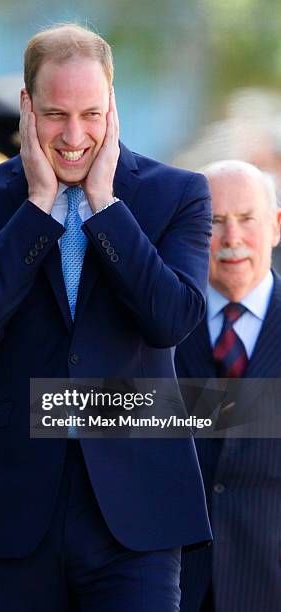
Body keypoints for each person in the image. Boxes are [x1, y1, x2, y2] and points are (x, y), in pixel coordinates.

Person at [0, 23, 213, 611]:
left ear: (113, 106)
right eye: (57, 114)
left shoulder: (178, 194)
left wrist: (105, 207)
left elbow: (171, 319)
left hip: (137, 511)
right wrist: (37, 209)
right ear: (26, 108)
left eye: (91, 113)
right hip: (13, 507)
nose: (74, 135)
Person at [175, 160, 281, 611]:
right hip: (173, 589)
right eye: (214, 222)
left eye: (246, 219)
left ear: (276, 226)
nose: (231, 239)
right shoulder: (156, 331)